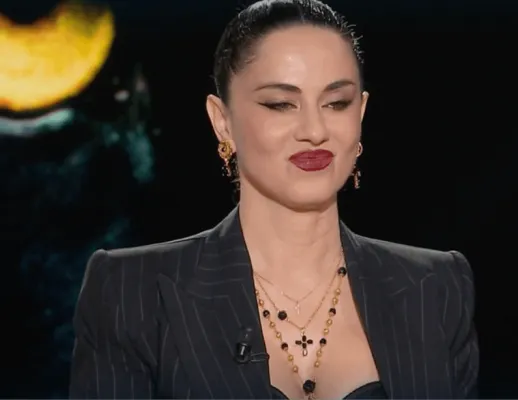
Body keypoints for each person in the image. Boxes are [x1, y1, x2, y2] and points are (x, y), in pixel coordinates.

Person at [68, 0, 478, 398]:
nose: (314, 130)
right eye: (281, 104)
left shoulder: (436, 287)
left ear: (361, 113)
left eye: (336, 103)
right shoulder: (132, 292)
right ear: (222, 121)